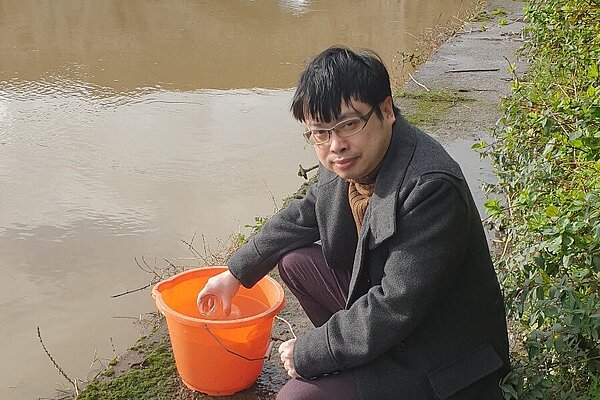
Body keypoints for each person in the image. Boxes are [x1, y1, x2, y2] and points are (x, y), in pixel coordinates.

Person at [197, 46, 511, 400]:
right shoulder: (352, 163)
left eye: (349, 124)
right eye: (320, 132)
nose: (336, 145)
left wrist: (310, 351)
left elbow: (395, 304)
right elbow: (305, 213)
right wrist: (235, 274)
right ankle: (357, 362)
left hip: (441, 354)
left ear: (387, 111)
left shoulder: (430, 187)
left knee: (295, 398)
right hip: (400, 321)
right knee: (295, 261)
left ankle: (362, 371)